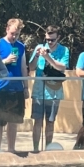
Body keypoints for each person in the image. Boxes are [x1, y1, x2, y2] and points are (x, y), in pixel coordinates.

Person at [29, 25, 70, 153]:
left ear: (58, 38)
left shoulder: (64, 50)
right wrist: (36, 56)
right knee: (38, 121)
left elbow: (62, 67)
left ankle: (48, 149)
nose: (49, 42)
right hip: (38, 92)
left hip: (54, 93)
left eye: (52, 40)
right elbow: (31, 67)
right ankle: (35, 149)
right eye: (47, 39)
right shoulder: (39, 48)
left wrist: (48, 57)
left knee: (50, 122)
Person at [0, 18, 29, 154]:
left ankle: (11, 149)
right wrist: (6, 61)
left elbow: (23, 67)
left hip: (17, 89)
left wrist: (26, 87)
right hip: (1, 88)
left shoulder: (21, 47)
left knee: (13, 122)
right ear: (7, 29)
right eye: (12, 33)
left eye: (17, 34)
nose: (14, 36)